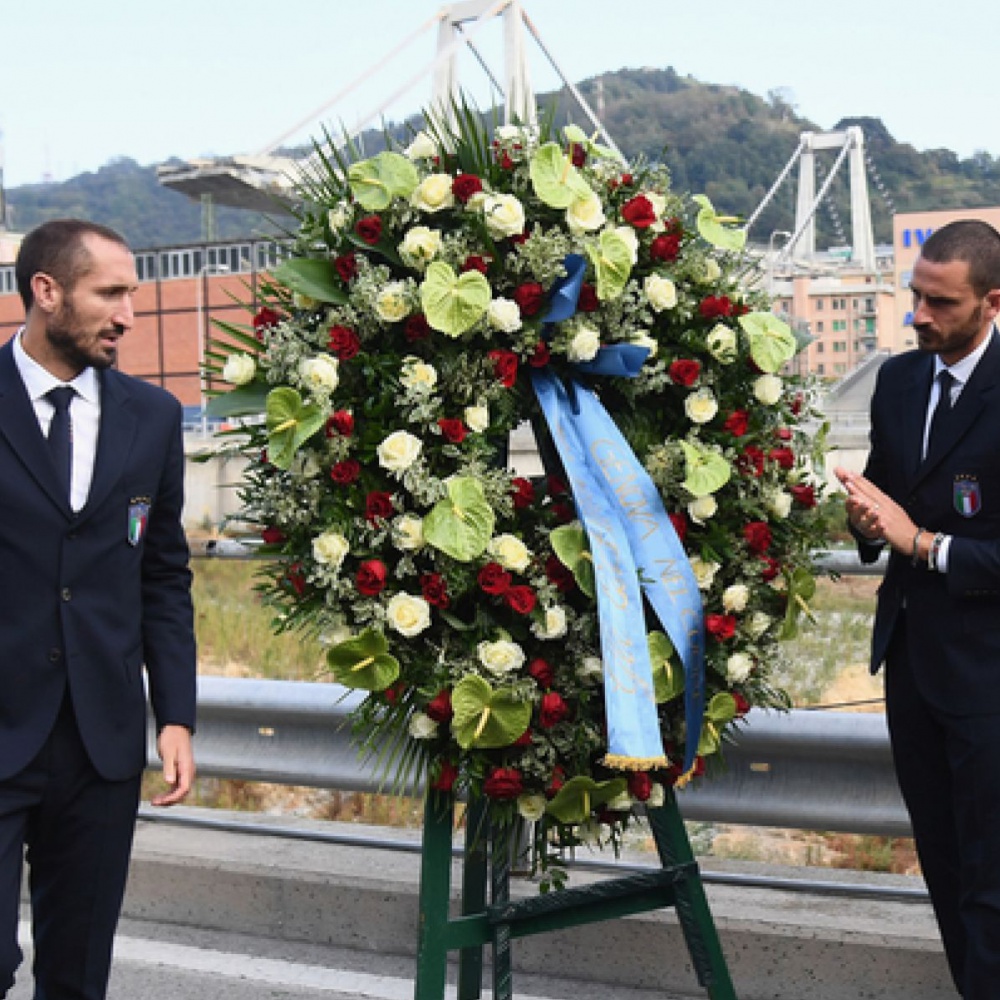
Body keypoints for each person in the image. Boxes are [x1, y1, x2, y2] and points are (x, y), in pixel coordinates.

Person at [0, 219, 197, 999]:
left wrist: (174, 714)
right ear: (46, 292)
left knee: (77, 977)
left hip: (100, 743)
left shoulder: (153, 417)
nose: (127, 316)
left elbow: (164, 574)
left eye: (133, 296)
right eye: (109, 293)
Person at [835, 218, 1000, 999]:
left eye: (940, 303)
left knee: (992, 880)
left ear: (991, 303)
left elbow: (927, 535)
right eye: (914, 296)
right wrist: (866, 521)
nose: (919, 316)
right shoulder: (901, 381)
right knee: (941, 861)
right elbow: (885, 495)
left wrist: (923, 543)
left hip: (990, 678)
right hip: (912, 666)